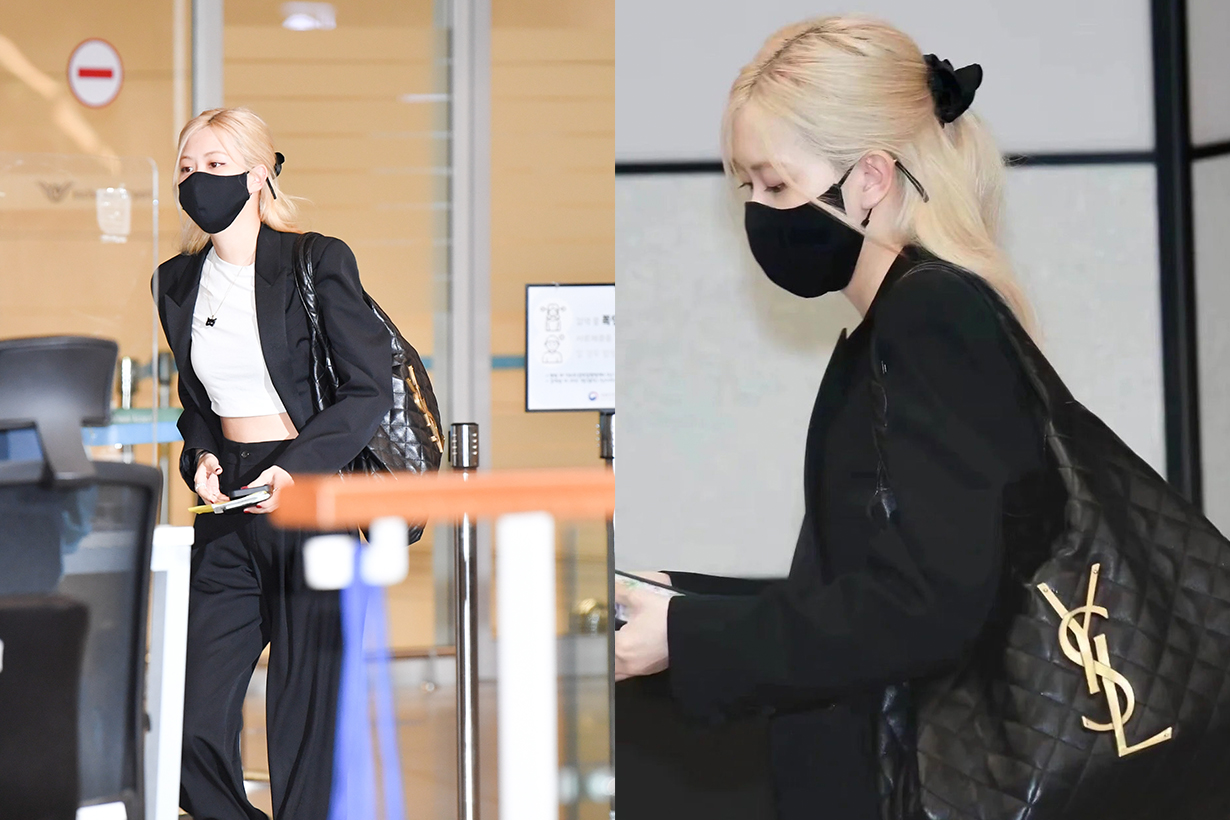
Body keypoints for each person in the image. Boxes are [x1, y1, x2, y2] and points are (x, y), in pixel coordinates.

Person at [614, 16, 1066, 820]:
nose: (759, 212)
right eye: (749, 189)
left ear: (870, 179)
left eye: (776, 185)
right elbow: (874, 584)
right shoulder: (901, 320)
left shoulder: (932, 319)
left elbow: (929, 608)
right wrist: (686, 599)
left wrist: (688, 636)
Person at [152, 107, 393, 820]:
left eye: (216, 164)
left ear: (259, 175)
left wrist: (297, 470)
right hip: (227, 507)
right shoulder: (175, 282)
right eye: (186, 166)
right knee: (186, 713)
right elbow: (195, 401)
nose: (197, 179)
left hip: (307, 493)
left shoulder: (315, 260)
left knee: (305, 725)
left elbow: (368, 389)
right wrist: (201, 456)